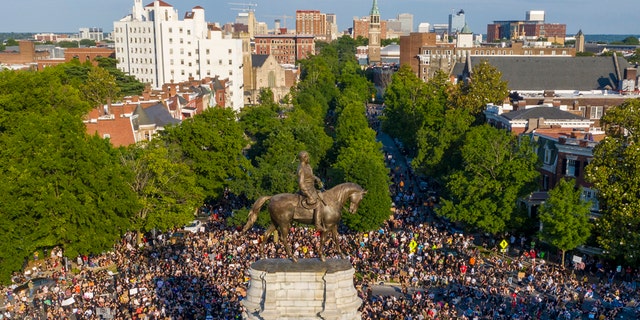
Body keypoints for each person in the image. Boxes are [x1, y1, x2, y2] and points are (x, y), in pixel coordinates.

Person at [297, 151, 326, 232]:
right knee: (318, 203)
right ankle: (317, 225)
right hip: (306, 189)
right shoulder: (301, 169)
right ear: (303, 158)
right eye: (307, 157)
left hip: (311, 187)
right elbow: (301, 183)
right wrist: (308, 194)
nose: (308, 158)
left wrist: (316, 178)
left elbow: (310, 175)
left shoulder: (308, 166)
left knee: (322, 196)